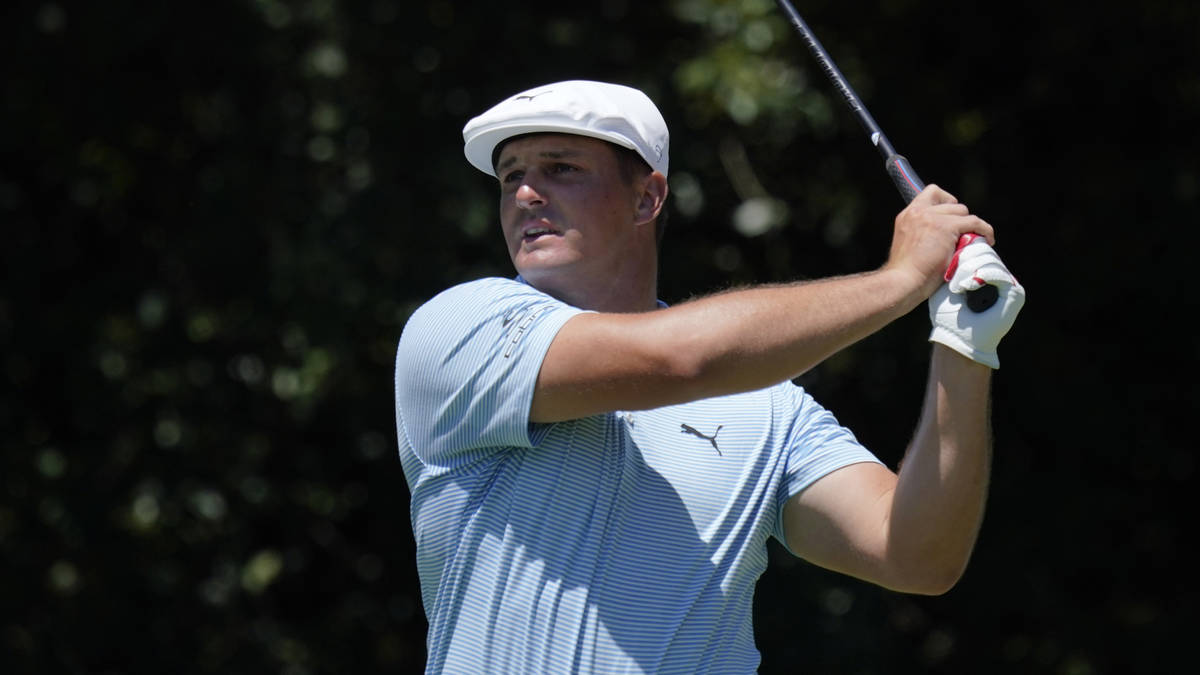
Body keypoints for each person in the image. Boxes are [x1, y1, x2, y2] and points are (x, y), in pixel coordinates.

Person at [394, 80, 1025, 674]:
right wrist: (900, 280)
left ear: (648, 196)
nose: (526, 194)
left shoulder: (770, 405)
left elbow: (916, 554)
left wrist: (966, 345)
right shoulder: (460, 328)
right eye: (511, 178)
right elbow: (677, 359)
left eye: (560, 168)